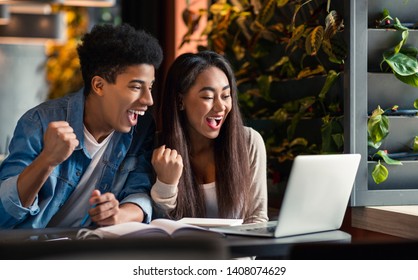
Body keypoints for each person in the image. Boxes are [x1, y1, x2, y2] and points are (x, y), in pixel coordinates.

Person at [0, 23, 163, 229]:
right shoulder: (40, 122)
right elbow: (3, 214)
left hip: (88, 252)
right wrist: (47, 160)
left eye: (150, 87)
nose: (148, 100)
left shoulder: (141, 128)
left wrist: (119, 214)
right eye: (136, 87)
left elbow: (138, 191)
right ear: (99, 85)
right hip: (33, 253)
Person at [151, 51, 268, 224]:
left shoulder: (249, 141)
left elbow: (257, 218)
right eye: (208, 97)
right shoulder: (157, 148)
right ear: (180, 101)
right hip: (181, 250)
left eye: (226, 96)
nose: (220, 106)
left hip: (237, 251)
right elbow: (157, 224)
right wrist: (166, 184)